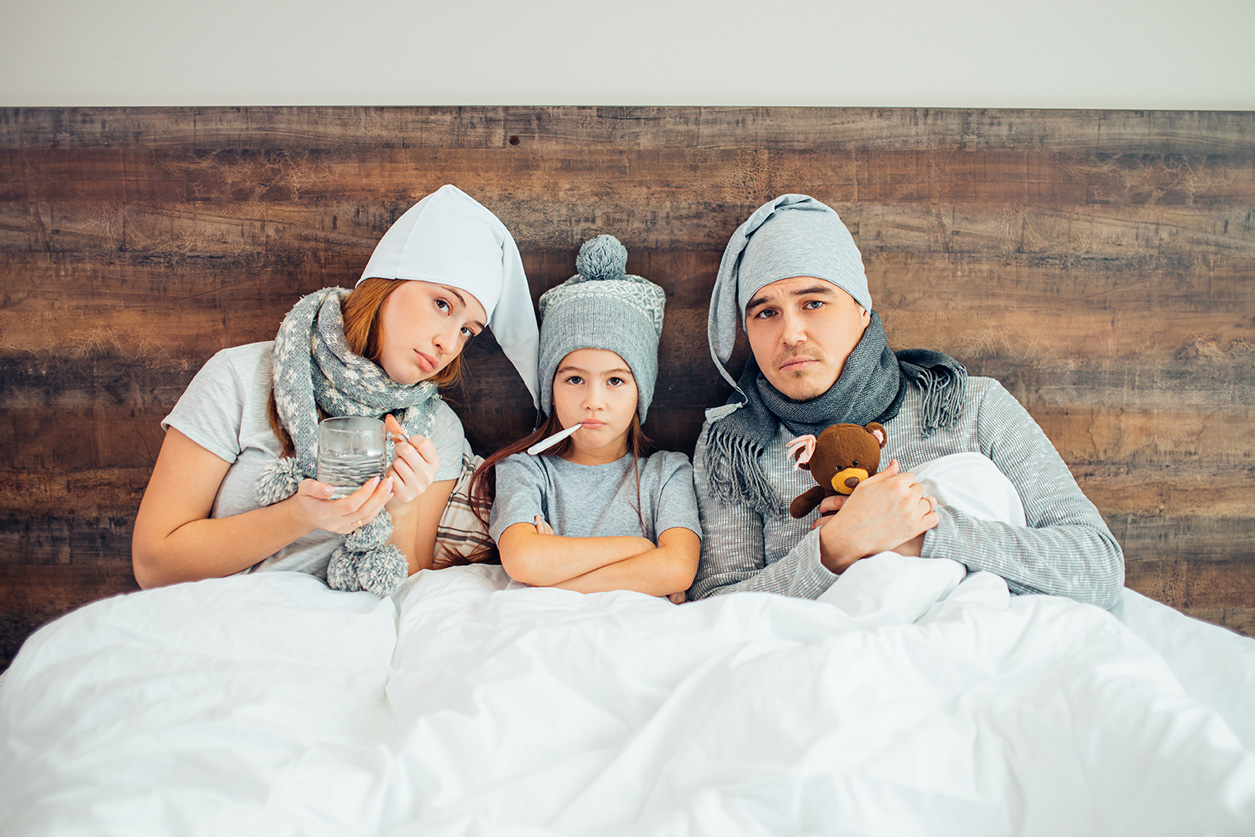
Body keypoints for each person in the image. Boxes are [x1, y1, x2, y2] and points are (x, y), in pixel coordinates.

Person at [688, 194, 1124, 609]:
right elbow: (715, 609)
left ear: (862, 310)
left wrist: (920, 534)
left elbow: (1098, 566)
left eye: (814, 302)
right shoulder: (733, 450)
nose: (791, 333)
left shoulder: (970, 405)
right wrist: (835, 548)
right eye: (766, 312)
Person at [131, 185, 539, 595]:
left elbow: (407, 591)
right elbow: (153, 565)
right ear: (386, 284)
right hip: (225, 623)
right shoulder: (240, 378)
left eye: (468, 330)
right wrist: (300, 515)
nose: (449, 344)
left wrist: (402, 505)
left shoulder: (434, 429)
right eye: (442, 305)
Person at [472, 235, 701, 600]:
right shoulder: (525, 470)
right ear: (551, 388)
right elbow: (524, 559)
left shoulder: (668, 472)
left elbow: (677, 568)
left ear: (641, 390)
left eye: (615, 380)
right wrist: (639, 549)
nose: (594, 402)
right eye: (575, 379)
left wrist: (557, 579)